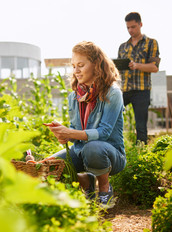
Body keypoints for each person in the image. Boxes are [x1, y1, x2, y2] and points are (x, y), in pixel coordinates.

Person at [46, 41, 126, 207]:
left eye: (81, 65)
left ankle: (104, 187)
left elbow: (103, 132)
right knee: (49, 166)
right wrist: (63, 133)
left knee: (93, 148)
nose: (76, 71)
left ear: (96, 65)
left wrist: (70, 133)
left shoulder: (112, 93)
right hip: (81, 151)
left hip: (110, 155)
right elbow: (76, 133)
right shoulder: (73, 97)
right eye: (74, 66)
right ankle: (86, 182)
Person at [118, 12, 160, 144]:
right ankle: (115, 146)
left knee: (141, 125)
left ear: (140, 24)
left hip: (142, 90)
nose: (130, 30)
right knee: (111, 116)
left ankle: (141, 151)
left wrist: (137, 65)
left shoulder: (151, 43)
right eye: (128, 28)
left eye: (133, 27)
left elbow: (154, 67)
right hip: (124, 90)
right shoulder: (122, 47)